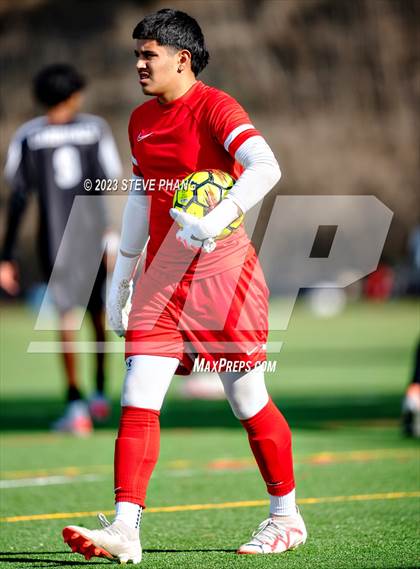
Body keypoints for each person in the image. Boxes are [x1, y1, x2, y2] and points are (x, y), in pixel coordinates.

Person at [62, 9, 307, 563]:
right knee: (137, 397)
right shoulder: (139, 120)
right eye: (136, 55)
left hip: (224, 278)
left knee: (247, 399)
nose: (139, 65)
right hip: (161, 282)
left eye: (148, 55)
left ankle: (286, 518)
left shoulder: (217, 107)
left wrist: (215, 219)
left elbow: (265, 167)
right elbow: (140, 196)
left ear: (182, 59)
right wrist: (122, 276)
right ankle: (125, 528)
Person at [0, 64, 122, 434]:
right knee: (98, 314)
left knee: (67, 318)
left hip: (55, 240)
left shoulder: (29, 135)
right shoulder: (95, 129)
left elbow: (18, 196)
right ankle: (99, 394)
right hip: (92, 235)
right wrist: (110, 232)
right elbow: (107, 180)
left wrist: (7, 255)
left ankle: (75, 405)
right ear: (73, 95)